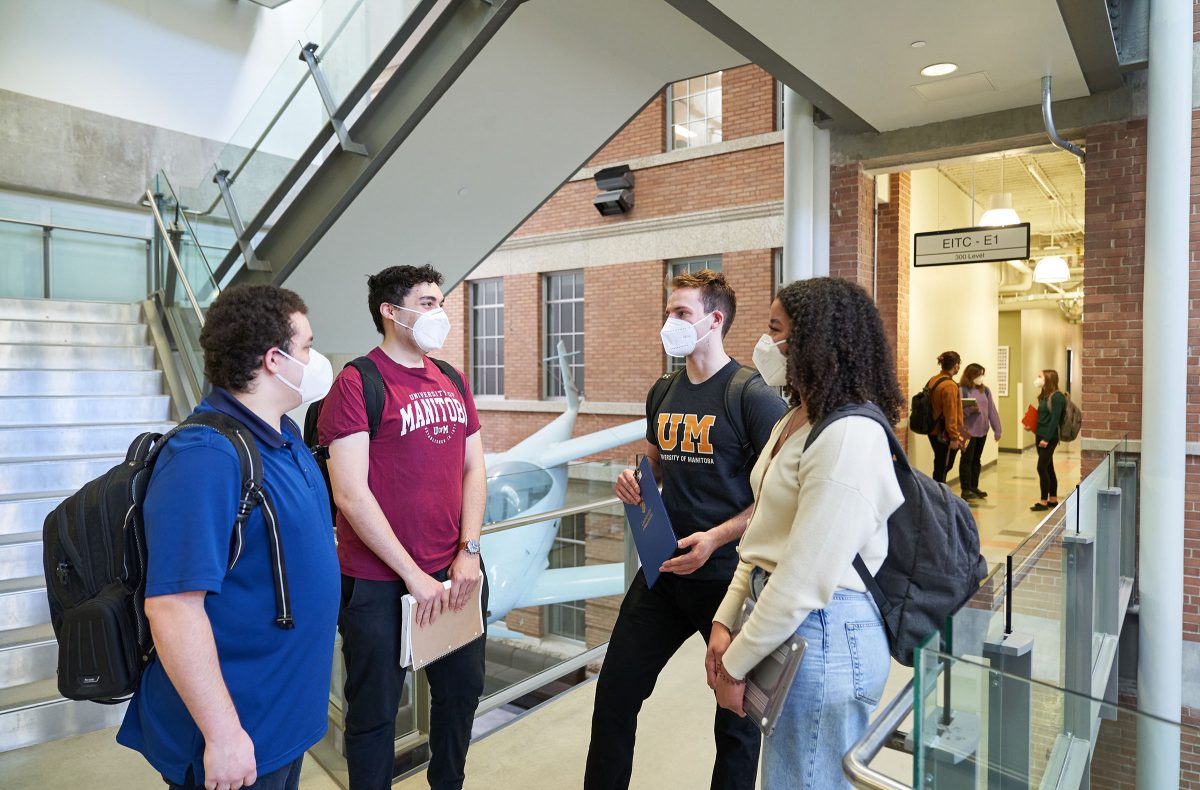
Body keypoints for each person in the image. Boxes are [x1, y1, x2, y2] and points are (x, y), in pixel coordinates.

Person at [117, 284, 340, 790]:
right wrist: (223, 735)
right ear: (274, 361)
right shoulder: (205, 457)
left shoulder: (284, 437)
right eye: (307, 346)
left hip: (283, 720)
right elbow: (173, 607)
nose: (316, 358)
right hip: (237, 730)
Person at [584, 269, 788, 790]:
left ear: (714, 319)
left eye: (681, 313)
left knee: (735, 718)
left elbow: (777, 497)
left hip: (727, 579)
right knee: (615, 696)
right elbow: (655, 464)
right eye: (669, 312)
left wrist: (717, 537)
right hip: (663, 572)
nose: (669, 323)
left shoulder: (753, 397)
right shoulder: (664, 390)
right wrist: (635, 479)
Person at [707, 277, 904, 790]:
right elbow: (764, 537)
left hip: (825, 634)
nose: (764, 344)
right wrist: (724, 624)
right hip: (783, 622)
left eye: (775, 331)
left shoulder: (849, 435)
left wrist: (733, 666)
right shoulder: (798, 417)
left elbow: (803, 578)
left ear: (814, 340)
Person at [318, 265, 486, 790]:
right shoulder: (357, 382)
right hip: (378, 583)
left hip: (454, 574)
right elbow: (349, 493)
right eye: (428, 302)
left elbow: (474, 467)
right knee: (374, 716)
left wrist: (470, 550)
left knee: (460, 697)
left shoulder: (452, 379)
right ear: (391, 312)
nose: (441, 314)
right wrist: (412, 574)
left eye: (441, 302)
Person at [958, 362, 1002, 501]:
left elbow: (992, 410)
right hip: (968, 432)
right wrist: (971, 409)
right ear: (970, 375)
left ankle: (973, 487)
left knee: (976, 460)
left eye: (982, 374)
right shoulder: (962, 390)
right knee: (967, 460)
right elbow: (958, 413)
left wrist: (997, 429)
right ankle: (965, 489)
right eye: (978, 374)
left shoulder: (986, 390)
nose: (981, 377)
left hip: (982, 431)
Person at [926, 351, 965, 484]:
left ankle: (938, 497)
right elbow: (951, 414)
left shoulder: (933, 380)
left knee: (940, 463)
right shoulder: (949, 386)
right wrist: (954, 437)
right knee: (943, 467)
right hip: (944, 433)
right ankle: (939, 499)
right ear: (956, 365)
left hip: (933, 429)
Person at [1031, 369, 1067, 512]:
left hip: (1049, 437)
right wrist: (1031, 426)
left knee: (1041, 467)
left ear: (1048, 379)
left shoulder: (1057, 397)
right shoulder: (1044, 396)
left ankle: (1043, 501)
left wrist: (1046, 438)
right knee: (1048, 467)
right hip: (1040, 435)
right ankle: (1053, 499)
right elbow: (1043, 417)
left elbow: (1054, 421)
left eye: (1040, 376)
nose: (1037, 379)